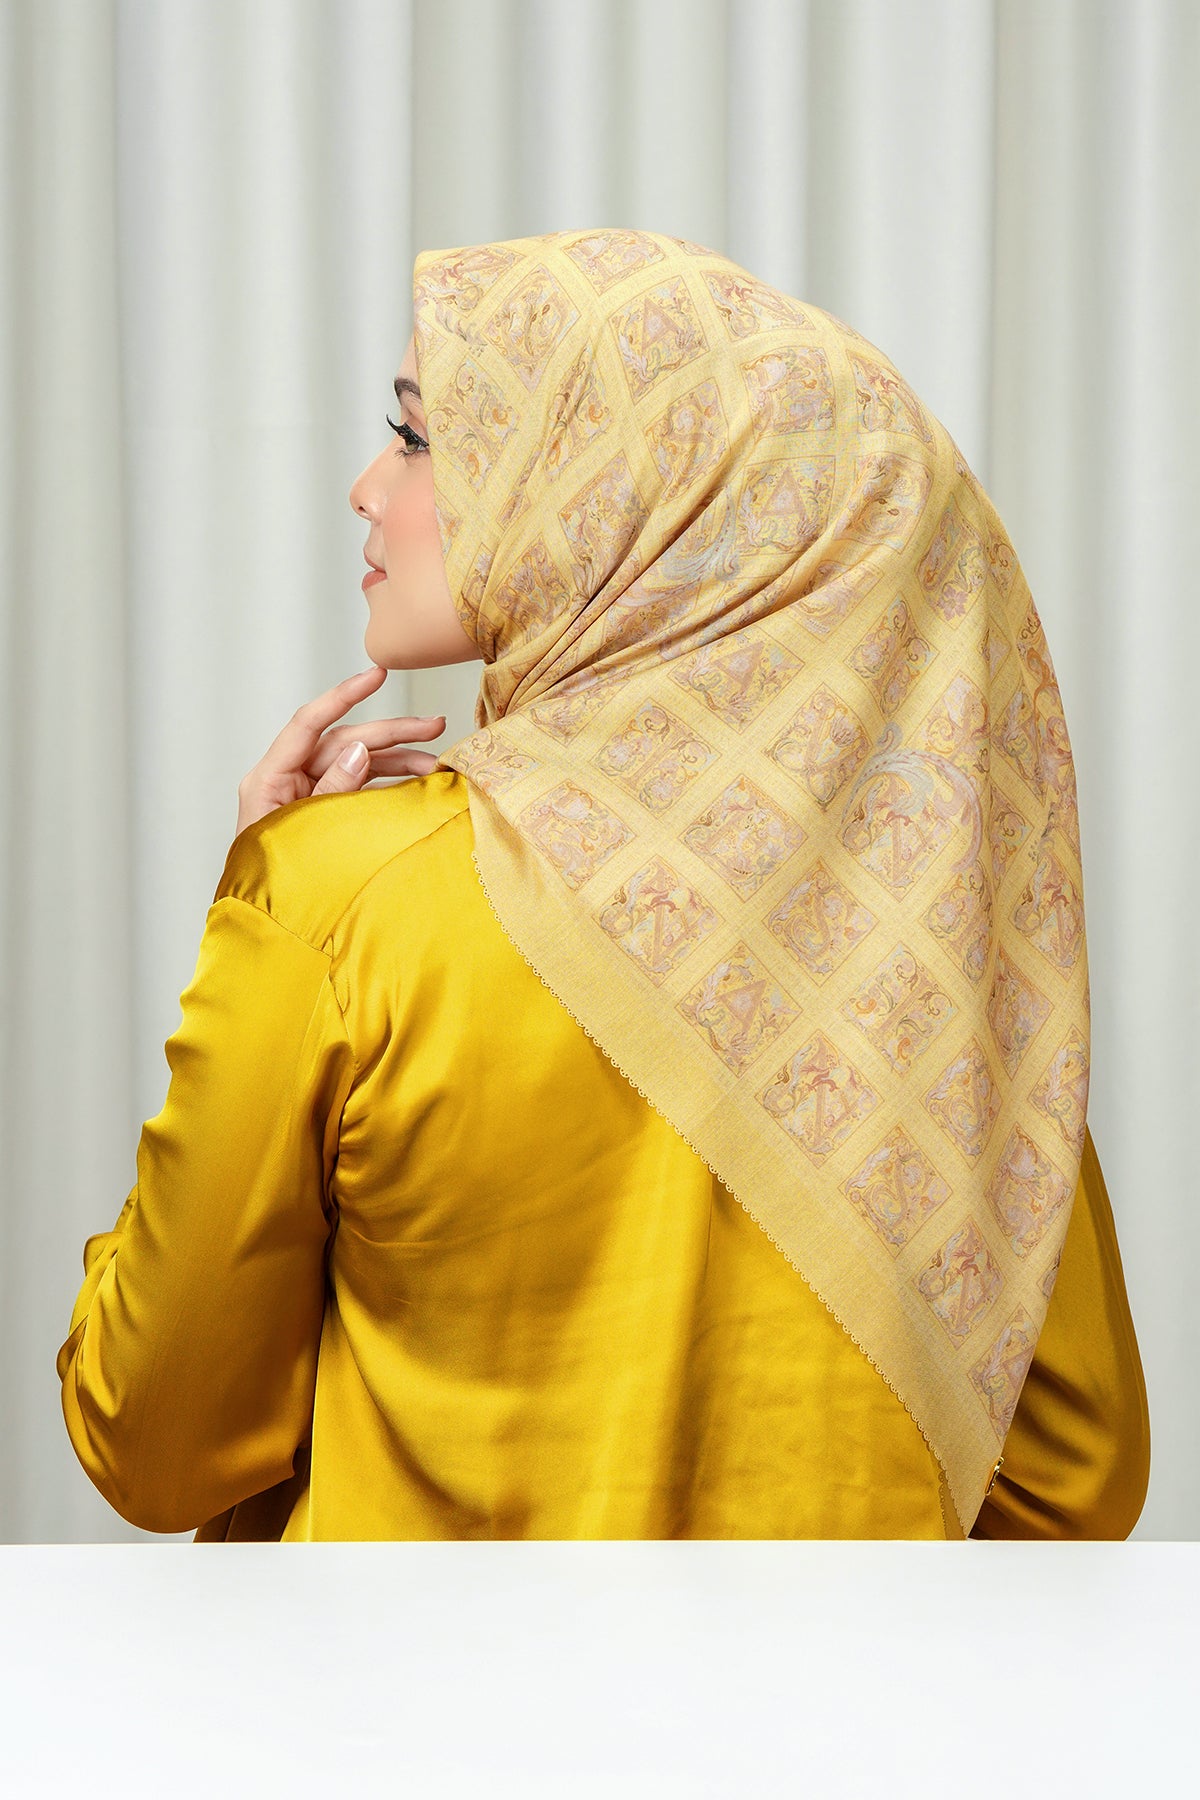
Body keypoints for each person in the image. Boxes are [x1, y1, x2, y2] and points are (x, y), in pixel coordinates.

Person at [56, 228, 1150, 1541]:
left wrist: (269, 910)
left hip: (406, 1684)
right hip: (836, 1685)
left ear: (617, 492)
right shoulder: (928, 953)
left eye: (416, 437)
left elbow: (151, 1439)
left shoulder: (347, 901)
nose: (367, 487)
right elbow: (1074, 1476)